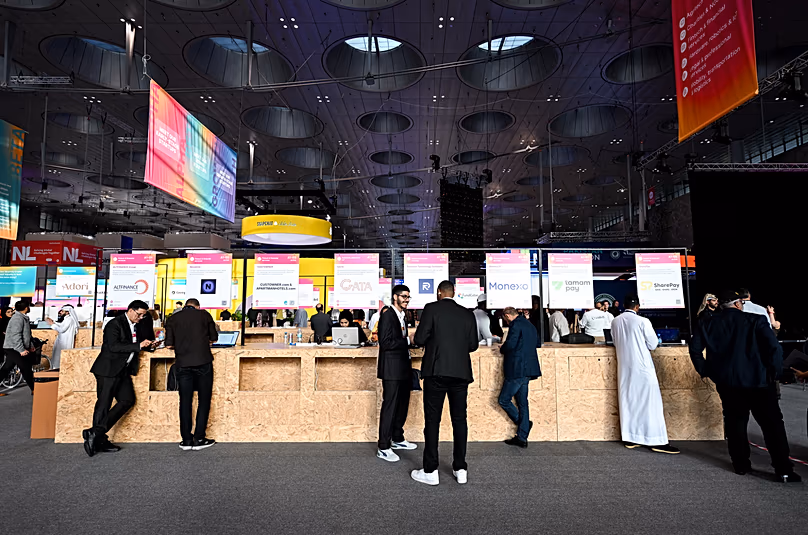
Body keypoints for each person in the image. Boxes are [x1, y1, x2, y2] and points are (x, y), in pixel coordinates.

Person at [689, 290, 800, 482]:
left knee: (735, 423)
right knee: (772, 425)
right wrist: (775, 373)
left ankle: (740, 465)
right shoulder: (756, 320)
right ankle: (783, 469)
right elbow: (774, 348)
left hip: (727, 383)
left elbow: (695, 351)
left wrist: (707, 371)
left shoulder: (706, 323)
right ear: (739, 304)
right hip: (759, 382)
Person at [411, 280, 478, 486]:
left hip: (436, 372)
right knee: (460, 420)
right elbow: (473, 345)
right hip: (460, 373)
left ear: (439, 292)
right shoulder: (468, 313)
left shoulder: (431, 309)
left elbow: (420, 339)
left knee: (433, 421)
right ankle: (460, 468)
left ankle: (430, 471)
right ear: (454, 293)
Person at [82, 300, 156, 457]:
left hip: (122, 370)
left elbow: (136, 344)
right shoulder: (114, 324)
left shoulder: (138, 326)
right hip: (108, 369)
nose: (141, 317)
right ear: (130, 310)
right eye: (139, 314)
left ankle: (95, 433)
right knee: (103, 405)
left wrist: (149, 345)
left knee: (127, 400)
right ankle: (99, 439)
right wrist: (138, 346)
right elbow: (113, 346)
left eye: (143, 315)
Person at [611, 295, 679, 454]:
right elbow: (653, 344)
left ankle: (630, 438)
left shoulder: (615, 321)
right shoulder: (642, 321)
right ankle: (656, 440)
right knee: (651, 403)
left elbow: (615, 341)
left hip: (625, 368)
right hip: (643, 368)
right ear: (637, 307)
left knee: (629, 401)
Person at [164, 298, 218, 451]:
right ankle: (199, 438)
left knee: (185, 401)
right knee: (203, 400)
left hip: (183, 364)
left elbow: (168, 344)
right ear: (197, 306)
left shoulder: (173, 319)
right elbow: (214, 338)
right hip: (203, 363)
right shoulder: (205, 315)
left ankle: (186, 440)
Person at [376, 285, 416, 462]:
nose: (406, 299)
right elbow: (385, 342)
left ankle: (397, 438)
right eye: (404, 296)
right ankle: (383, 446)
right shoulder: (387, 313)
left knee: (402, 404)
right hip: (391, 369)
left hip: (403, 367)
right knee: (390, 405)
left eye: (408, 297)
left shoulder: (403, 315)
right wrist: (407, 340)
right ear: (395, 297)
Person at [498, 307, 541, 448]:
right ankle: (522, 438)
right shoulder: (529, 324)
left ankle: (524, 424)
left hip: (517, 368)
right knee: (522, 402)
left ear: (507, 316)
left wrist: (501, 348)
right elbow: (537, 343)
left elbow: (510, 344)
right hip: (528, 368)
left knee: (504, 400)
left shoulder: (515, 324)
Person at [1, 301, 37, 393]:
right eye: (28, 306)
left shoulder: (23, 318)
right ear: (26, 308)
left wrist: (30, 346)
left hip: (14, 347)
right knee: (26, 368)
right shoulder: (17, 319)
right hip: (14, 348)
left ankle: (35, 389)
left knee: (6, 368)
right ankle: (35, 389)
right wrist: (21, 349)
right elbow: (16, 335)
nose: (29, 308)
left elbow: (27, 335)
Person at [46, 305, 79, 369]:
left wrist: (52, 325)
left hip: (65, 341)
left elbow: (62, 329)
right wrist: (54, 322)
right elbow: (61, 325)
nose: (61, 312)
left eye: (62, 311)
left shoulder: (69, 319)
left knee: (59, 356)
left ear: (67, 312)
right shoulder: (67, 319)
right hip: (62, 340)